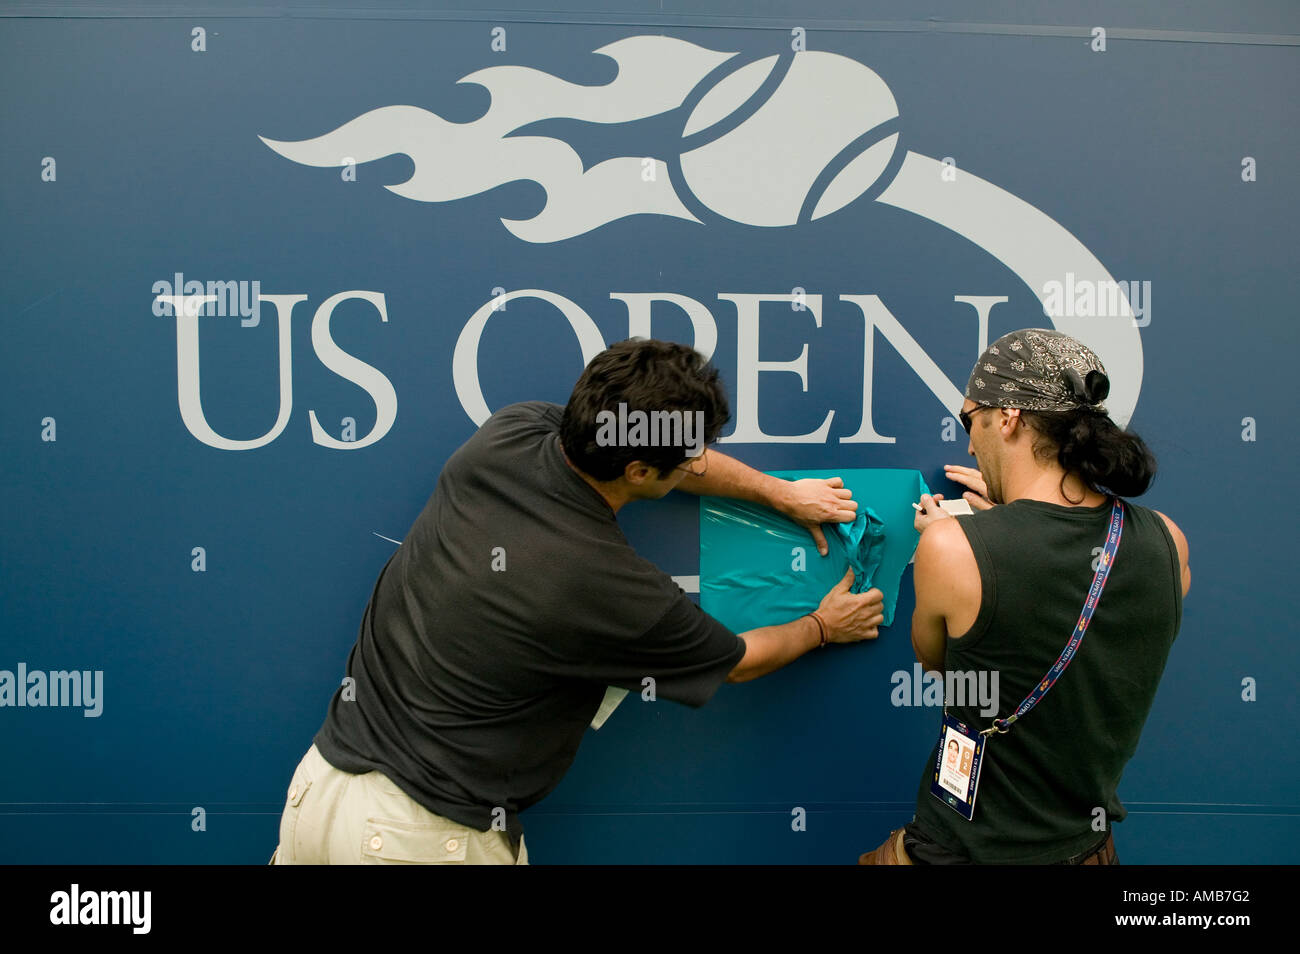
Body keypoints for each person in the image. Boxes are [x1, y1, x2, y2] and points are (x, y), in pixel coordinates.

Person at [273, 338, 884, 864]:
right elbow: (742, 659)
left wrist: (778, 493)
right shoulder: (608, 586)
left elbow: (659, 455)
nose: (699, 460)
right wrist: (823, 626)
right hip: (418, 839)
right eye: (690, 453)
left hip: (319, 791)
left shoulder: (510, 433)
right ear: (641, 472)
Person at [859, 328, 1190, 865]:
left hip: (962, 854)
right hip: (1088, 852)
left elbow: (941, 666)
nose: (968, 442)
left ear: (1007, 417)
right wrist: (1009, 524)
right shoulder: (1168, 543)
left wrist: (962, 540)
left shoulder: (953, 546)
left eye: (971, 419)